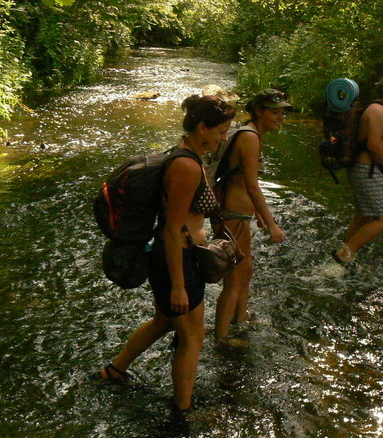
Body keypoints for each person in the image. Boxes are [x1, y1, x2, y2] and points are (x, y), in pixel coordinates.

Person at [93, 95, 235, 412]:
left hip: (173, 256)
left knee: (164, 322)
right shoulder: (185, 165)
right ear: (202, 127)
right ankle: (182, 410)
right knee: (192, 337)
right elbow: (173, 229)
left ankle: (113, 371)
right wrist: (179, 285)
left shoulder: (188, 156)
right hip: (178, 259)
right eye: (221, 131)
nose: (224, 138)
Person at [213, 88, 289, 346]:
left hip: (238, 213)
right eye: (275, 112)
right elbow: (253, 185)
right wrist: (271, 223)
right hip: (232, 214)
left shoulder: (251, 133)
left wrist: (256, 213)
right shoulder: (250, 137)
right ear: (259, 111)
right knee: (234, 278)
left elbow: (241, 180)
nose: (281, 118)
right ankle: (221, 338)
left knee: (246, 270)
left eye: (283, 113)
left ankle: (241, 320)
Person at [332, 71, 383, 264]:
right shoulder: (379, 110)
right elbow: (374, 145)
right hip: (367, 170)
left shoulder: (377, 109)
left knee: (364, 215)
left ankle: (342, 256)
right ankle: (345, 255)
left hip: (361, 168)